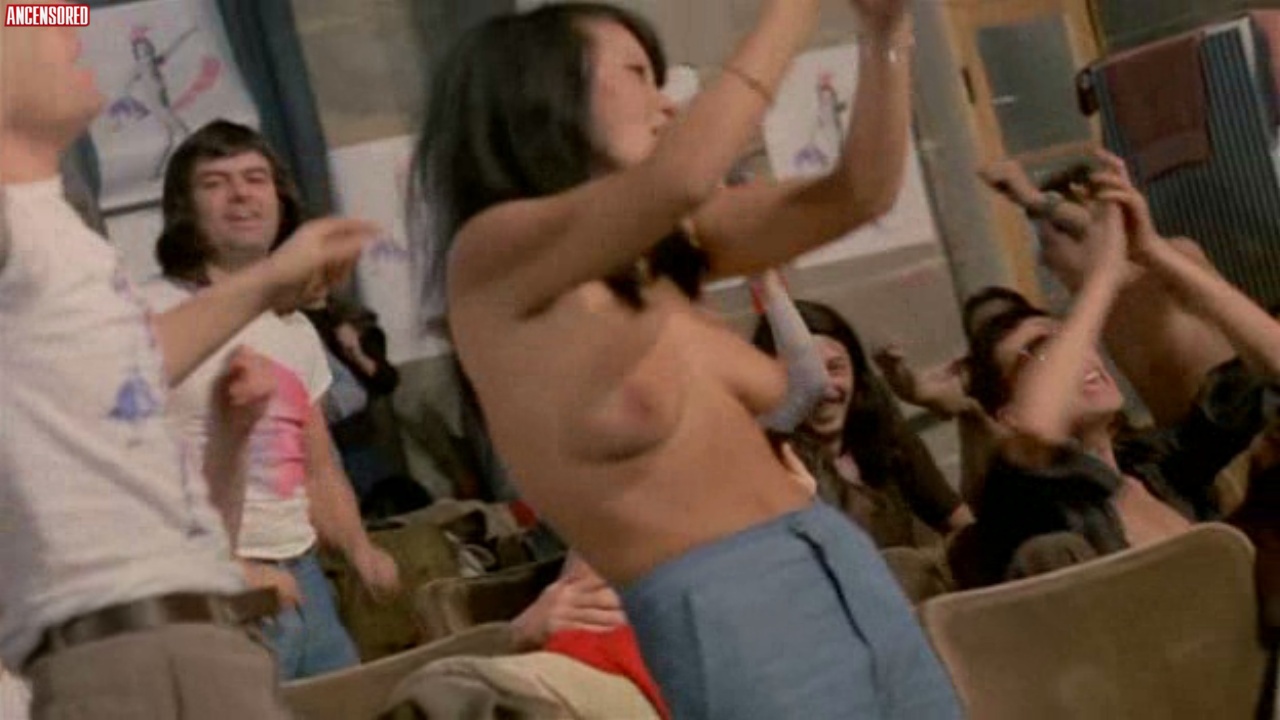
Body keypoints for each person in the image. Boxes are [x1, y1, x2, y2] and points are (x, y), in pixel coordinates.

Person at [413, 2, 959, 718]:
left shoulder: (664, 247)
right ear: (543, 91)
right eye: (639, 74)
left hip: (835, 556)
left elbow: (859, 192)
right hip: (723, 605)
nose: (667, 104)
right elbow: (683, 175)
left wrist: (885, 34)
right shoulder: (490, 255)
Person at [0, 2, 374, 715]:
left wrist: (270, 281)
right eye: (39, 14)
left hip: (197, 616)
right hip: (120, 640)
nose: (74, 24)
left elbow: (116, 371)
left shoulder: (56, 225)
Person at [142, 120, 402, 680]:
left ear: (281, 200)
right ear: (184, 208)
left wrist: (359, 550)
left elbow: (318, 466)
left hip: (305, 582)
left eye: (255, 178)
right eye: (216, 182)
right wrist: (220, 564)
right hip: (208, 589)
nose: (241, 194)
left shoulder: (295, 329)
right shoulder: (152, 314)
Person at [959, 151, 1280, 587]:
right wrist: (1103, 277)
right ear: (1007, 415)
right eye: (1041, 350)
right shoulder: (1033, 503)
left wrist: (1151, 251)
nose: (1081, 352)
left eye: (1069, 338)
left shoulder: (1154, 464)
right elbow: (1036, 428)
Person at [752, 299, 972, 547]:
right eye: (802, 377)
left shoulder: (881, 427)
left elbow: (955, 517)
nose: (824, 389)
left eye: (835, 368)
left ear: (856, 370)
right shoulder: (773, 466)